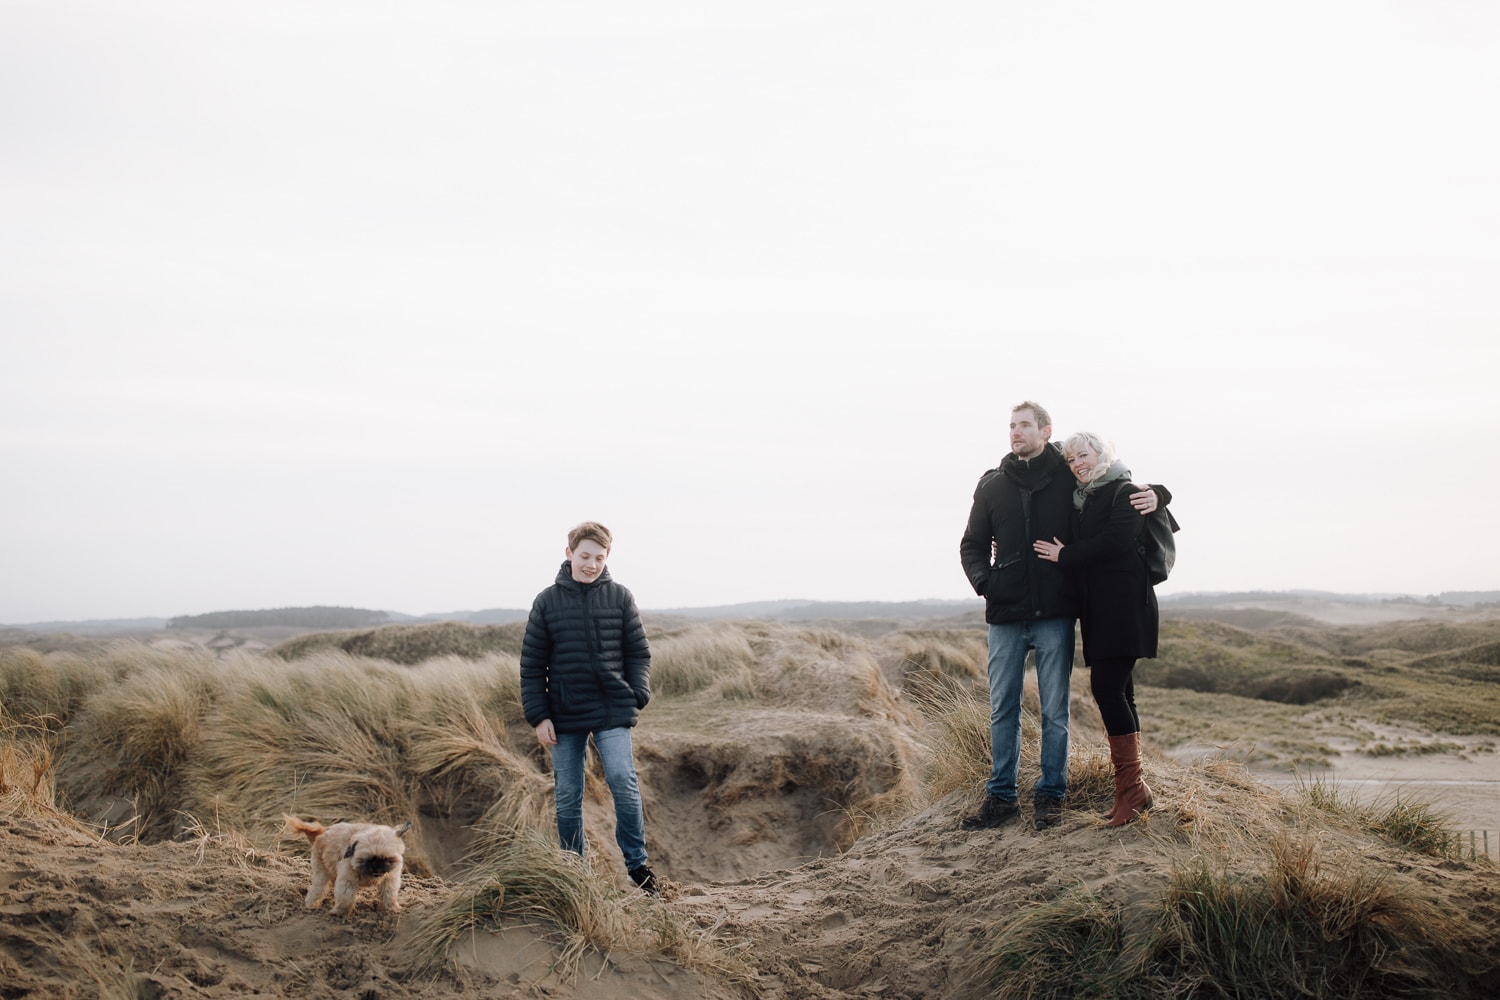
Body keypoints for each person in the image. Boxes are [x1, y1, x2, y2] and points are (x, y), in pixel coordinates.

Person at [959, 402, 1162, 832]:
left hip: (1056, 612)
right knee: (1002, 710)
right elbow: (972, 544)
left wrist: (1159, 492)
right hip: (1005, 613)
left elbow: (1116, 486)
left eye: (1024, 425)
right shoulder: (993, 485)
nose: (1016, 432)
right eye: (1011, 426)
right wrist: (987, 583)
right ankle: (1001, 797)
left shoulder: (1066, 477)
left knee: (1055, 711)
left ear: (1046, 430)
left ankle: (1051, 796)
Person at [1033, 432, 1165, 827]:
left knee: (1107, 689)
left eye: (1084, 455)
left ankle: (1132, 790)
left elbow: (1116, 541)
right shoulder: (1085, 498)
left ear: (1103, 455)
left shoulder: (1123, 491)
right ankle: (1133, 790)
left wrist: (1065, 555)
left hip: (1125, 609)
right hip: (1102, 611)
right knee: (1122, 691)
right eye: (1072, 459)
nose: (1077, 463)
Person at [519, 521, 658, 893]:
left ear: (606, 557)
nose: (591, 564)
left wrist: (637, 693)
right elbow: (533, 666)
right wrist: (539, 715)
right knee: (568, 793)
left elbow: (638, 653)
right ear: (569, 554)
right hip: (564, 712)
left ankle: (636, 866)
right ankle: (574, 870)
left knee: (622, 781)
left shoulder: (621, 597)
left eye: (598, 557)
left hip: (612, 706)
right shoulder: (547, 601)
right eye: (584, 556)